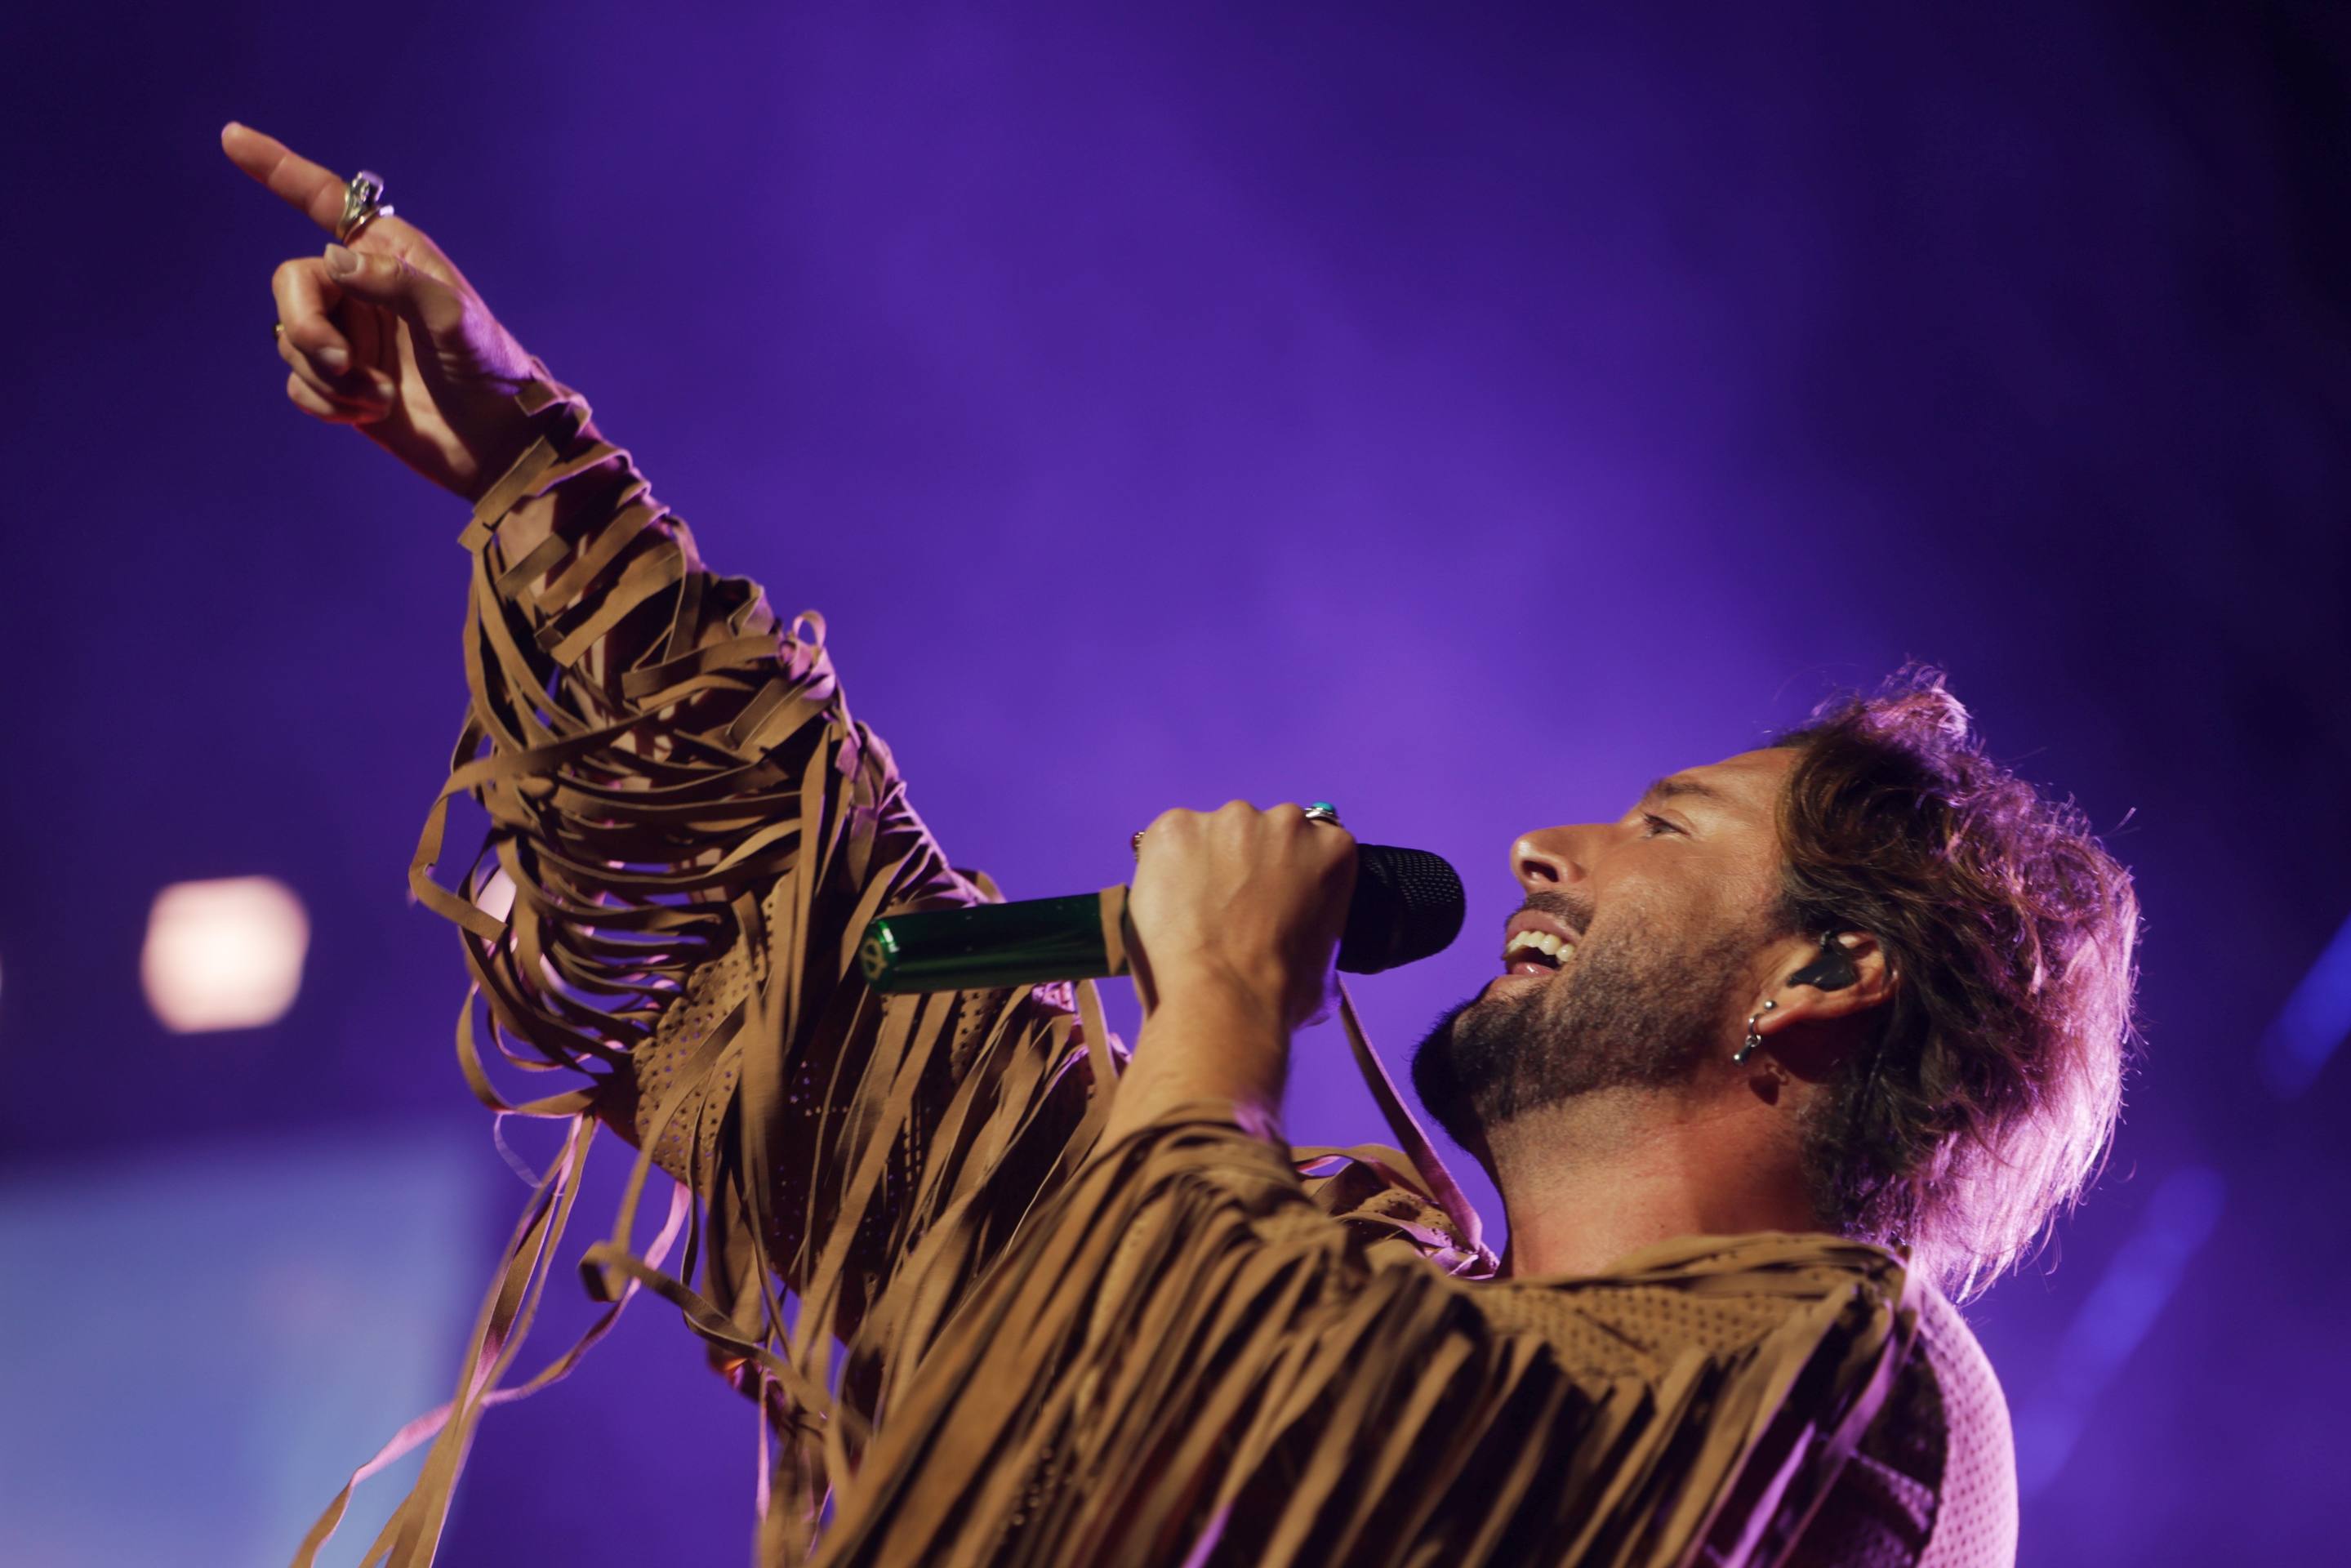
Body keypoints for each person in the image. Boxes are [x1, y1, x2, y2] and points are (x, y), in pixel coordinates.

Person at [226, 122, 2139, 1568]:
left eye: (1664, 826)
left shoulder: (1873, 1404)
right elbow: (930, 1078)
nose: (1549, 846)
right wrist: (532, 461)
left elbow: (1189, 1416)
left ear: (1824, 970)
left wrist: (1222, 998)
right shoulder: (1407, 1323)